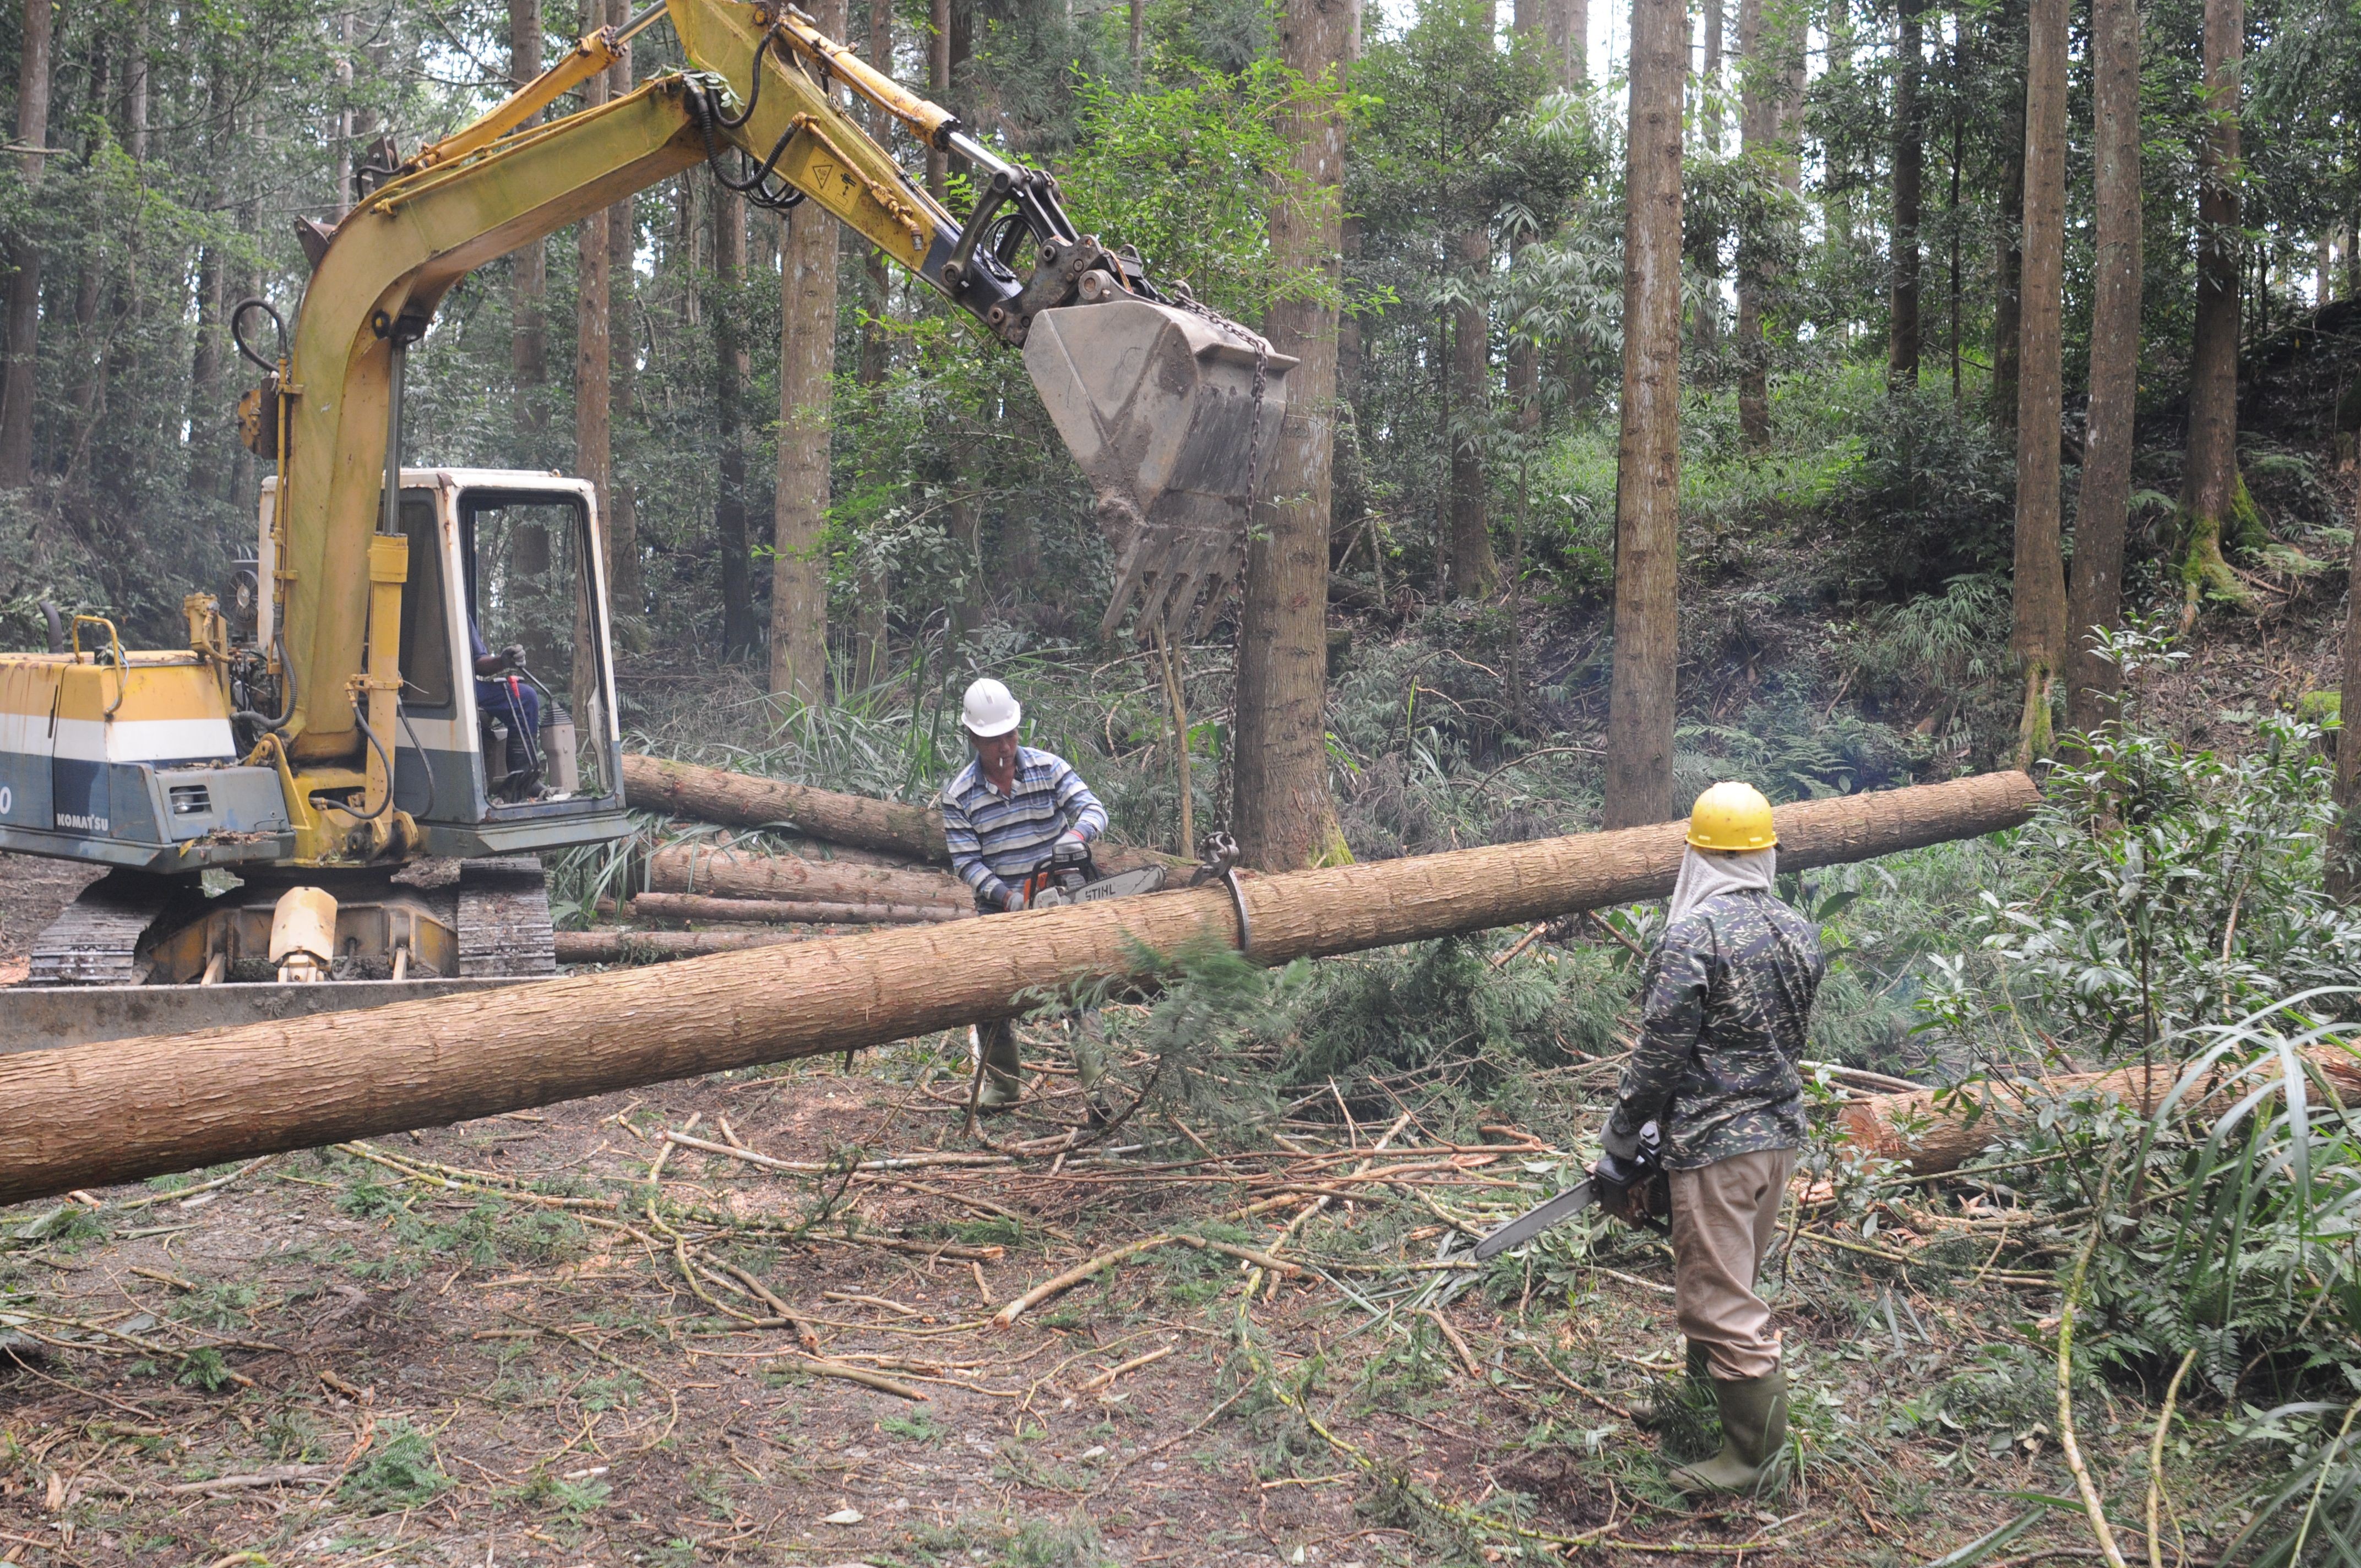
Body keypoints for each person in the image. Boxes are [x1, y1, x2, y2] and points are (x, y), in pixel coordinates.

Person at [1598, 781, 1825, 1495]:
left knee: (1722, 1300)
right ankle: (1702, 1406)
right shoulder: (1798, 930)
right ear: (1766, 855)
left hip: (1718, 1145)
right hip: (1776, 1138)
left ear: (1696, 854)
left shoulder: (1693, 934)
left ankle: (1756, 1465)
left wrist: (1623, 1132)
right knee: (1728, 1277)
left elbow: (1661, 1051)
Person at [940, 677, 1108, 1108]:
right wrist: (1009, 898)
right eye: (995, 740)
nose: (1006, 747)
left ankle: (1098, 1088)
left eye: (1011, 735)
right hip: (1000, 909)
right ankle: (1003, 1085)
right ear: (975, 738)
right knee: (988, 996)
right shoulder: (960, 795)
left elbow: (1093, 808)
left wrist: (1077, 834)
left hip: (1059, 900)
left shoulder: (1049, 768)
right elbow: (968, 864)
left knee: (1080, 989)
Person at [470, 618, 540, 795]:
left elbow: (478, 661)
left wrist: (502, 661)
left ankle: (524, 781)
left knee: (525, 697)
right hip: (422, 688)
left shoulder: (459, 609)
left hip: (465, 686)